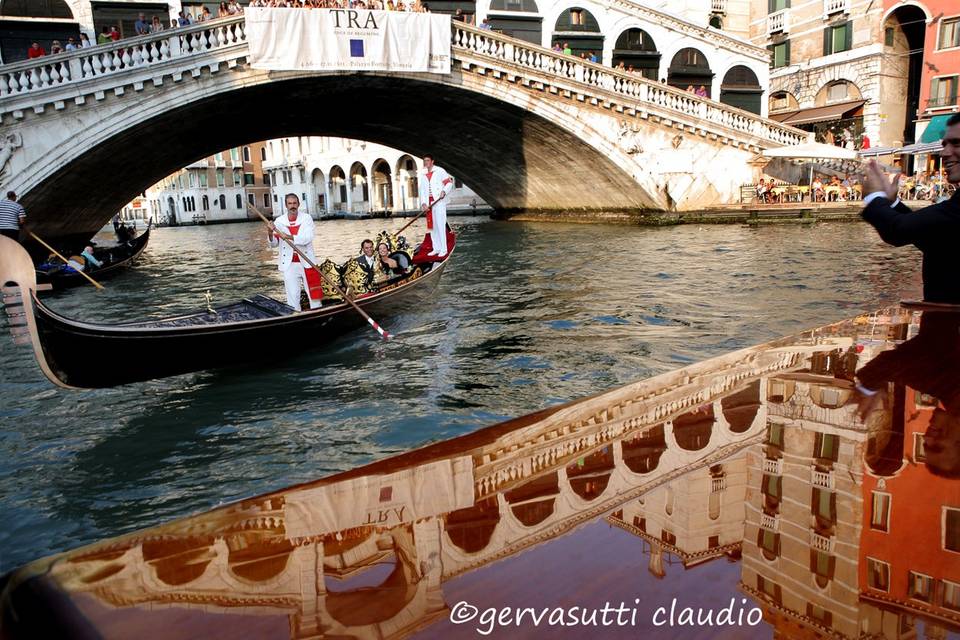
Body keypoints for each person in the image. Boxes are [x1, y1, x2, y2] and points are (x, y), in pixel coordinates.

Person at [860, 113, 960, 303]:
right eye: (945, 144)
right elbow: (933, 237)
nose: (944, 153)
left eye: (956, 144)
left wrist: (874, 196)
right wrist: (892, 203)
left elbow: (897, 230)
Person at [268, 193, 323, 310]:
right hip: (289, 264)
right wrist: (269, 232)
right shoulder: (279, 221)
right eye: (290, 203)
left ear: (298, 204)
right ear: (286, 205)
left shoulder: (307, 218)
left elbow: (307, 238)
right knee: (293, 296)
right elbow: (274, 244)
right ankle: (295, 316)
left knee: (314, 295)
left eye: (294, 203)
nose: (292, 206)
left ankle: (317, 313)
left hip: (307, 262)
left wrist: (288, 236)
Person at [418, 154, 454, 258]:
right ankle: (436, 248)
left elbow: (449, 183)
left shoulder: (440, 171)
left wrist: (444, 191)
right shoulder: (423, 173)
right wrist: (423, 203)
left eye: (428, 160)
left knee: (440, 225)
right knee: (432, 227)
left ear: (432, 161)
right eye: (424, 161)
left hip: (438, 202)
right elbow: (422, 191)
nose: (426, 163)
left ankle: (444, 249)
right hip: (429, 203)